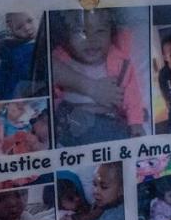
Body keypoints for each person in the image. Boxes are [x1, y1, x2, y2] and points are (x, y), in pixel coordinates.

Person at [51, 9, 147, 146]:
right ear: (67, 36)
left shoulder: (119, 62)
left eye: (100, 31)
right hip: (69, 124)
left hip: (107, 123)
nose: (92, 40)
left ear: (111, 34)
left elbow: (132, 95)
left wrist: (136, 122)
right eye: (81, 32)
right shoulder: (61, 59)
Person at [1, 12, 40, 87]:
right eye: (19, 27)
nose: (27, 28)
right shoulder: (17, 52)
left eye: (29, 21)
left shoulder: (43, 36)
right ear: (13, 32)